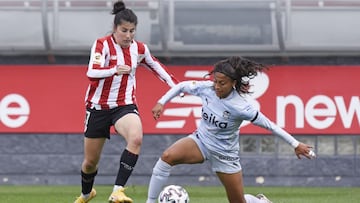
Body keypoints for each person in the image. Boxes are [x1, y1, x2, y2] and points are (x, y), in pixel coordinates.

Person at [145, 56, 316, 203]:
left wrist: (295, 144)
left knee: (238, 201)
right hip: (201, 143)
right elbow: (181, 86)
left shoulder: (241, 107)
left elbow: (270, 125)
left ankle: (258, 201)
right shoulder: (207, 89)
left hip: (225, 155)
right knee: (167, 157)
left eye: (222, 83)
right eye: (215, 82)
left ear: (233, 83)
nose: (217, 87)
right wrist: (162, 102)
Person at [74, 1, 180, 203]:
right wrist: (114, 69)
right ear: (115, 29)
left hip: (124, 106)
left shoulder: (139, 49)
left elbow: (157, 67)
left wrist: (177, 88)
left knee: (136, 138)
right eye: (124, 30)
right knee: (90, 163)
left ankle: (118, 191)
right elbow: (91, 72)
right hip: (98, 108)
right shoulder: (101, 44)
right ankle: (87, 194)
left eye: (132, 31)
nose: (129, 35)